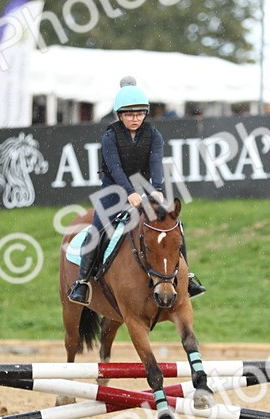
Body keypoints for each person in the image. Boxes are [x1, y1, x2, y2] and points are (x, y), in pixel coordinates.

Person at [68, 82, 206, 305]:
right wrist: (130, 192)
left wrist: (158, 189)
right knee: (97, 228)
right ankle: (82, 283)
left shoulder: (153, 135)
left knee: (173, 226)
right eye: (130, 114)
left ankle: (188, 278)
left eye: (140, 113)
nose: (135, 118)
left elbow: (156, 163)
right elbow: (115, 168)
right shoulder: (110, 136)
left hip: (145, 189)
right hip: (114, 190)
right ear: (120, 115)